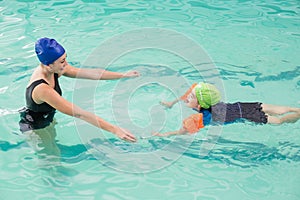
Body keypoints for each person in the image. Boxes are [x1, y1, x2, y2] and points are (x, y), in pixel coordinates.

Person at [19, 37, 139, 142]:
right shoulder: (42, 88)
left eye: (65, 58)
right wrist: (115, 130)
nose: (66, 64)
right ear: (48, 65)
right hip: (34, 128)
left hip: (47, 117)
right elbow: (79, 113)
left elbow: (91, 74)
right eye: (62, 61)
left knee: (55, 154)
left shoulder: (55, 69)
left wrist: (122, 75)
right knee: (50, 160)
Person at [156, 82, 300, 136]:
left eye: (191, 97)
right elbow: (192, 90)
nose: (188, 97)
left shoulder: (200, 118)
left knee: (280, 121)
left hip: (248, 116)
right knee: (280, 109)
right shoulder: (206, 97)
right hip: (242, 106)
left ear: (199, 105)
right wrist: (171, 103)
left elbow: (182, 132)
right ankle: (296, 109)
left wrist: (164, 135)